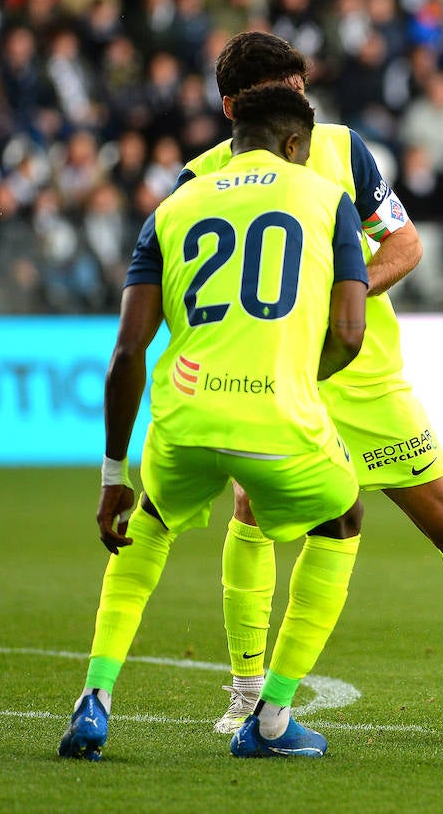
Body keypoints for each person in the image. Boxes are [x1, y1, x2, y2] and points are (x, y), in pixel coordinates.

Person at [182, 32, 443, 734]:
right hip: (271, 380)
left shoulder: (344, 149)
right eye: (282, 96)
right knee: (252, 511)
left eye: (300, 89)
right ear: (233, 107)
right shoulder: (199, 180)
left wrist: (344, 292)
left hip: (366, 375)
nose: (299, 107)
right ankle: (247, 688)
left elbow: (405, 244)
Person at [58, 84, 370, 760]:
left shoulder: (174, 206)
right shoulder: (324, 199)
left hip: (185, 413)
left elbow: (126, 354)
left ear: (234, 137)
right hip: (277, 420)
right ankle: (273, 718)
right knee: (342, 519)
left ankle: (95, 696)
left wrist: (114, 472)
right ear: (295, 144)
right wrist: (293, 376)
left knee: (148, 524)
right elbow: (349, 332)